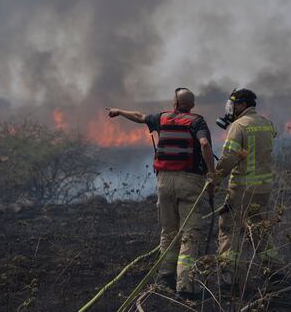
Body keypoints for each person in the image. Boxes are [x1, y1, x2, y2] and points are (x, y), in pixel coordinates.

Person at [106, 88, 215, 300]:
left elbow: (138, 116)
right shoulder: (197, 122)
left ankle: (165, 278)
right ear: (191, 106)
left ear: (174, 103)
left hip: (164, 181)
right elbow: (204, 144)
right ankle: (186, 284)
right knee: (190, 232)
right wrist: (211, 174)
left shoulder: (162, 118)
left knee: (169, 231)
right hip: (189, 181)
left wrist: (118, 111)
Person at [209, 88, 277, 292]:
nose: (230, 109)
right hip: (264, 188)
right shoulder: (267, 123)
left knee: (229, 228)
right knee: (258, 228)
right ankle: (273, 269)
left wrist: (216, 179)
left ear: (241, 105)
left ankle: (229, 275)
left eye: (233, 105)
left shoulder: (238, 126)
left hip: (242, 188)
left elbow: (229, 157)